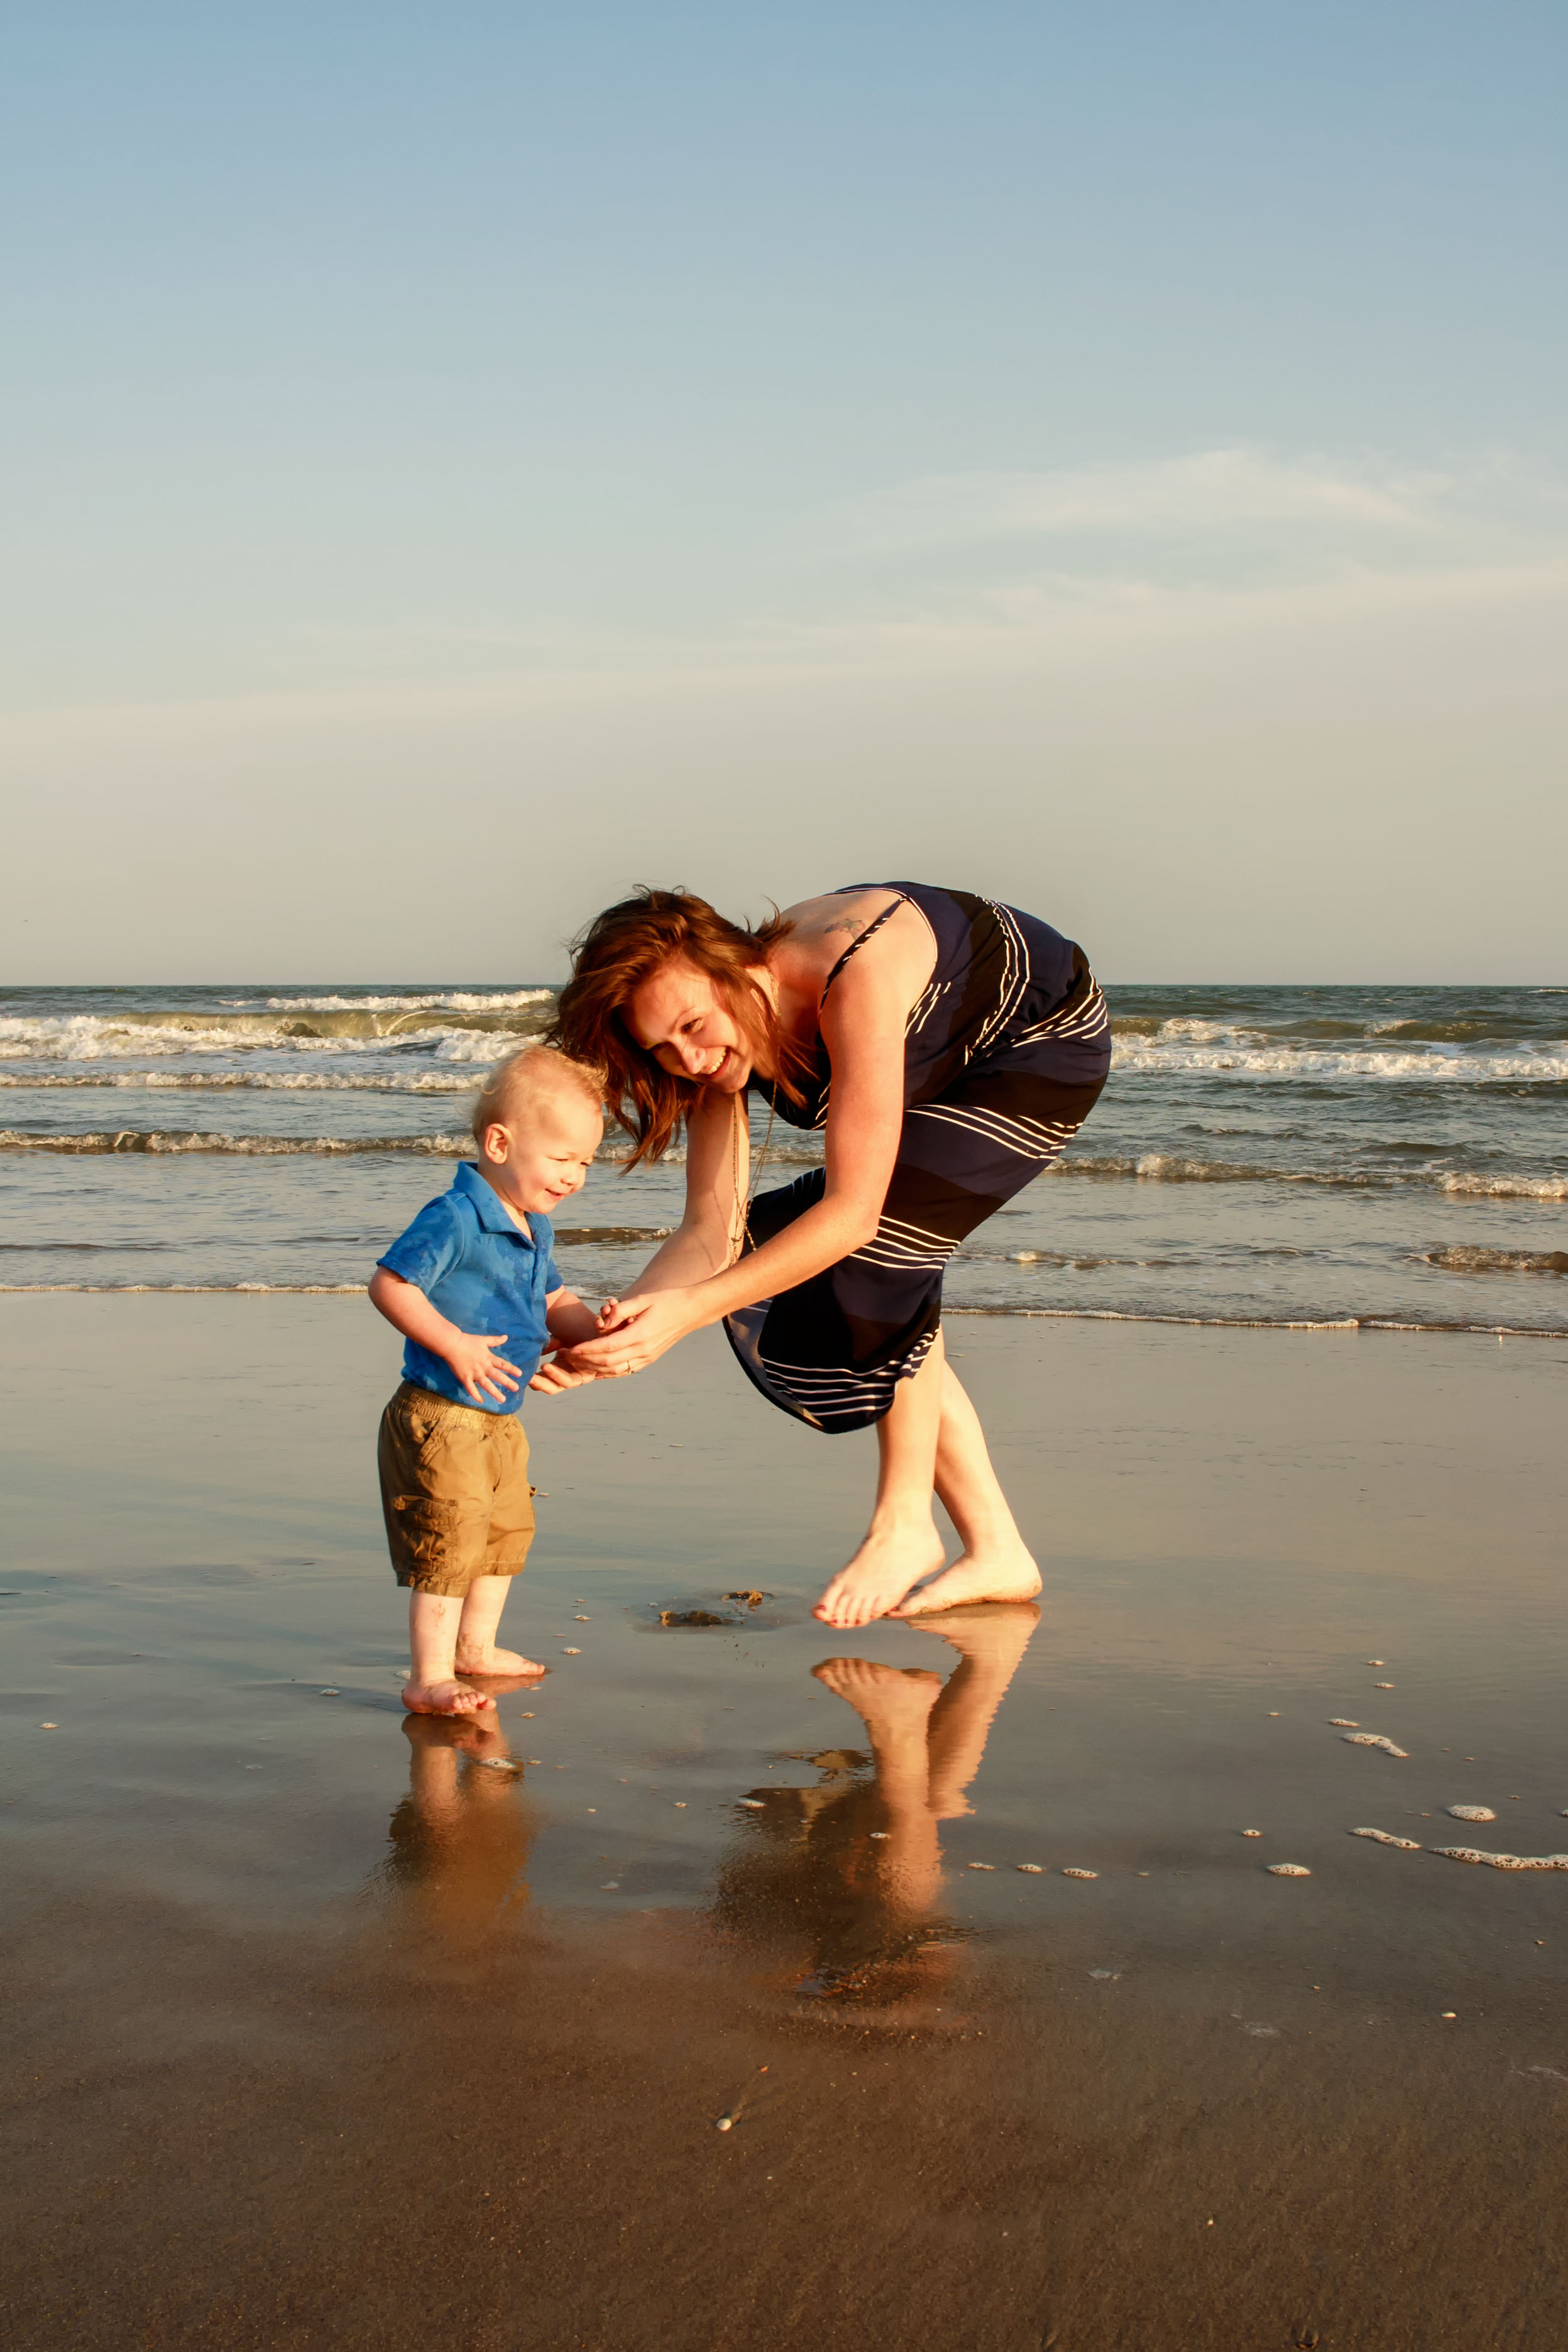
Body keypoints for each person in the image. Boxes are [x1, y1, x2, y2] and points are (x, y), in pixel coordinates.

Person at [544, 882, 1111, 1627]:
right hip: (941, 1055)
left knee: (876, 1246)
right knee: (779, 1243)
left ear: (733, 968)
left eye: (692, 1025)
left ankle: (905, 1523)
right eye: (663, 1049)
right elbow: (711, 1230)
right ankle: (997, 1549)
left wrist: (684, 1315)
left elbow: (853, 1217)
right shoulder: (714, 1054)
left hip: (1037, 1041)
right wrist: (626, 1329)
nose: (689, 1058)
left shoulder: (853, 978)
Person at [369, 1045, 606, 1715]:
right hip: (441, 1412)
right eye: (562, 1159)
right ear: (499, 1143)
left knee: (504, 1533)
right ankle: (429, 1676)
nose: (575, 1176)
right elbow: (390, 1284)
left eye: (585, 1162)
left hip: (499, 1417)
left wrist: (595, 1333)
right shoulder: (455, 1216)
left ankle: (475, 1648)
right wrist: (453, 1344)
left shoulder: (535, 1225)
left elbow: (554, 1298)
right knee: (450, 1534)